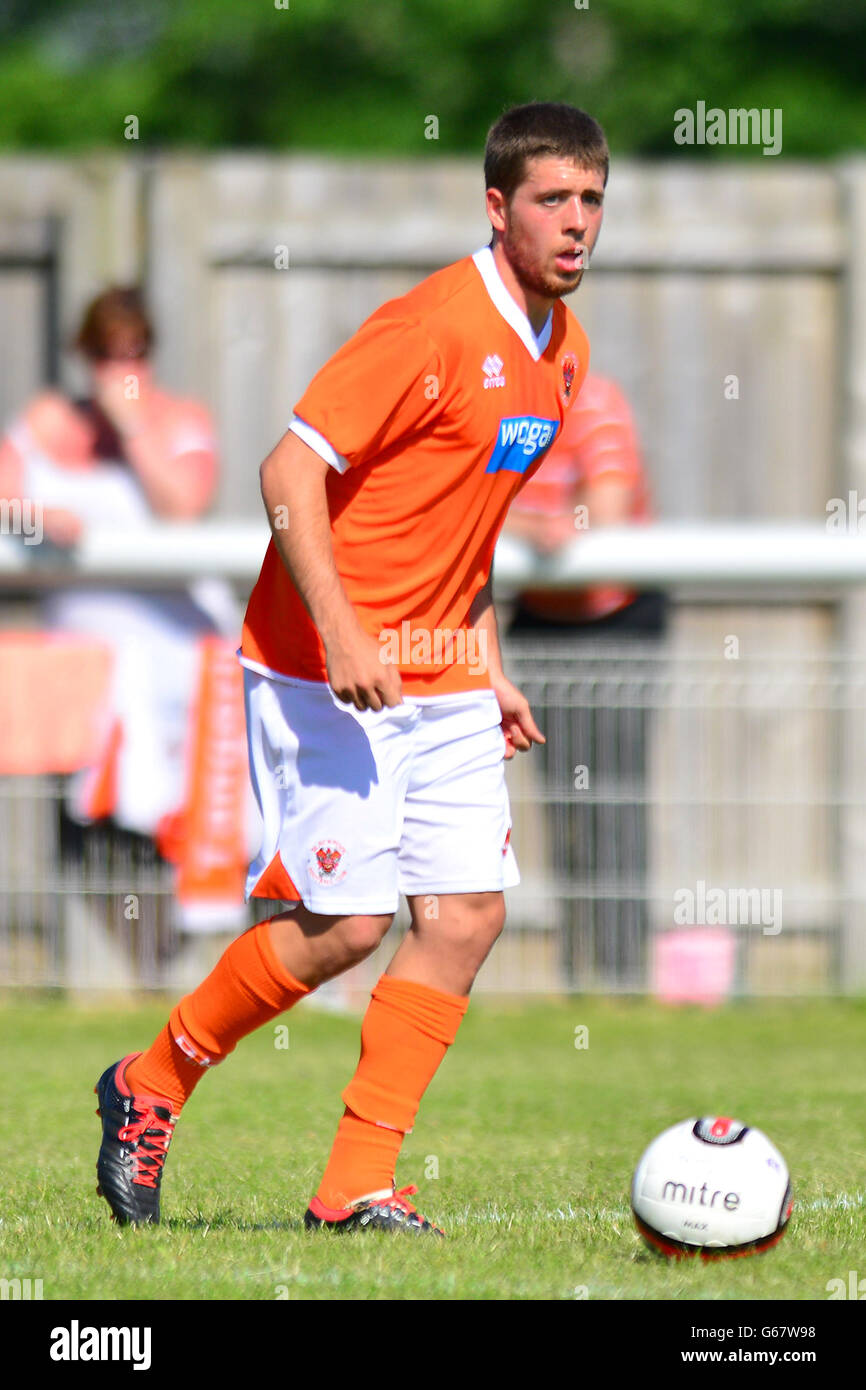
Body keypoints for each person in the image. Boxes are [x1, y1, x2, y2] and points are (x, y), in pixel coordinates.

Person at [92, 102, 608, 1235]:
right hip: (316, 664)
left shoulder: (560, 356)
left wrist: (485, 659)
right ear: (496, 207)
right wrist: (341, 631)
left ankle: (352, 1188)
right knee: (343, 923)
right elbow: (288, 471)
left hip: (440, 668)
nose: (574, 224)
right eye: (550, 201)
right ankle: (152, 1080)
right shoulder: (427, 325)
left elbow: (455, 532)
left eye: (589, 202)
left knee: (465, 912)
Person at [0, 288, 236, 851]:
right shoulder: (49, 421)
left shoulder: (181, 420)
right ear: (85, 357)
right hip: (86, 645)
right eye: (108, 355)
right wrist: (38, 521)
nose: (123, 368)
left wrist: (133, 431)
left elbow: (183, 509)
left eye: (135, 353)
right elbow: (6, 503)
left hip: (176, 637)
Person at [503, 373, 668, 987]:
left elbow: (605, 518)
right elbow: (462, 504)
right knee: (566, 807)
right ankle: (579, 978)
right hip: (544, 623)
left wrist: (518, 521)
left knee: (613, 801)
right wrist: (529, 528)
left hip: (614, 623)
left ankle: (623, 978)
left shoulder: (592, 403)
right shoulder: (499, 406)